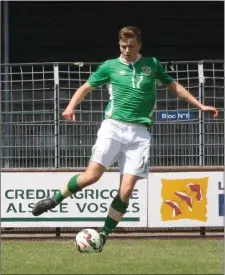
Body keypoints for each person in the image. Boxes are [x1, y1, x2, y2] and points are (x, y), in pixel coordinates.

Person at [32, 26, 218, 251]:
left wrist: (199, 105)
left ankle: (103, 235)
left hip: (139, 134)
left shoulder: (153, 64)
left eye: (131, 46)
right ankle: (55, 199)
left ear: (140, 45)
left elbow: (174, 87)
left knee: (126, 191)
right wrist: (71, 106)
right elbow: (86, 87)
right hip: (113, 127)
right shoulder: (110, 66)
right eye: (123, 46)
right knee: (92, 176)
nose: (127, 50)